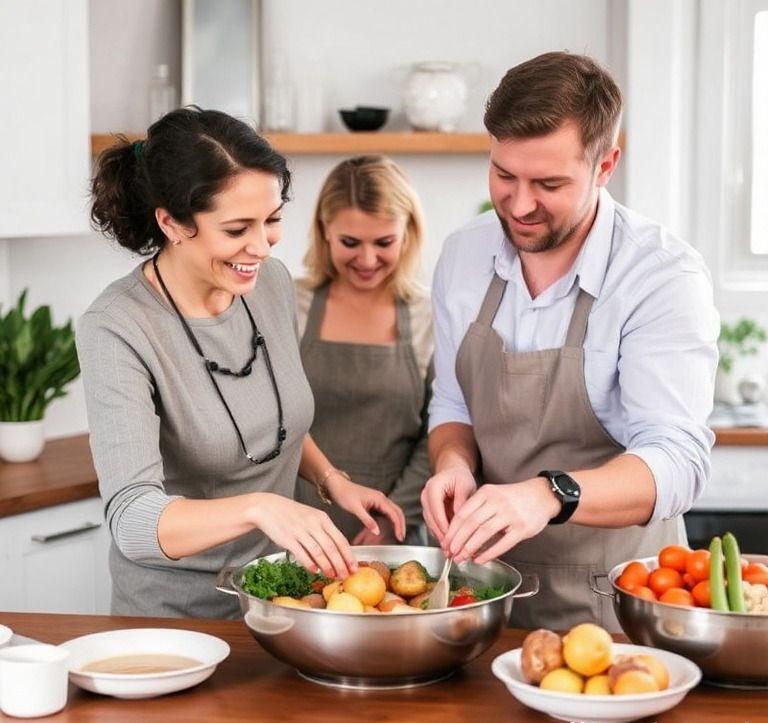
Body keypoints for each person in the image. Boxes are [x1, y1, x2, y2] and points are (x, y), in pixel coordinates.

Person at [421, 52, 719, 630]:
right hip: (483, 593)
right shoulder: (463, 255)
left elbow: (678, 459)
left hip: (620, 600)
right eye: (504, 175)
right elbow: (454, 403)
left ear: (606, 164)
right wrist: (453, 464)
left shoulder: (660, 275)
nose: (521, 203)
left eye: (549, 183)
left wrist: (548, 493)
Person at [78, 108, 404, 618]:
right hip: (175, 615)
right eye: (236, 229)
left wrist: (332, 481)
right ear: (172, 223)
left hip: (278, 593)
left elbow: (272, 419)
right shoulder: (118, 327)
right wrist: (261, 508)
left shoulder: (266, 284)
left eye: (272, 220)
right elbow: (134, 520)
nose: (261, 246)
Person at [294, 155, 433, 544]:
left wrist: (393, 520)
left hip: (397, 533)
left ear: (408, 233)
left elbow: (436, 435)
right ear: (324, 232)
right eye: (350, 243)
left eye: (384, 242)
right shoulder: (289, 304)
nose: (368, 260)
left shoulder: (430, 316)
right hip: (298, 527)